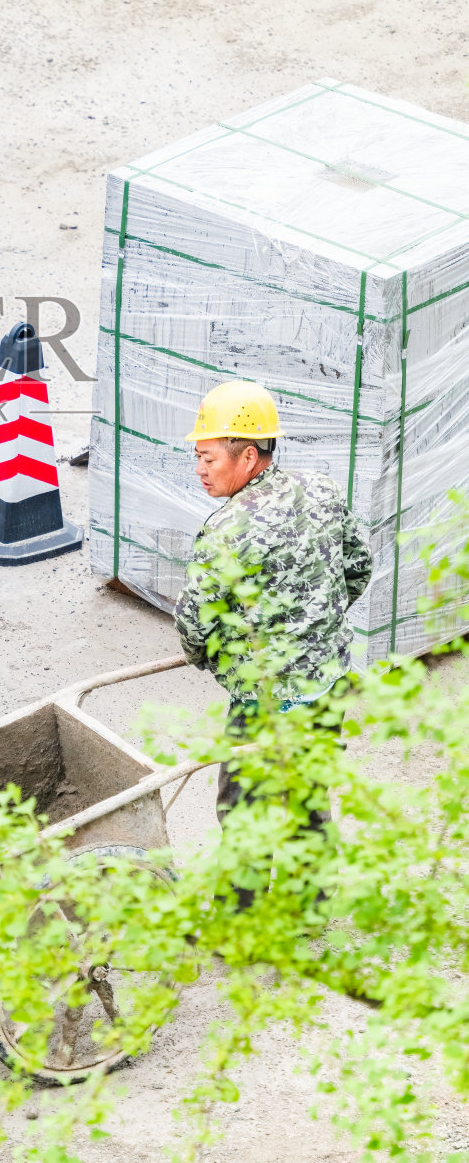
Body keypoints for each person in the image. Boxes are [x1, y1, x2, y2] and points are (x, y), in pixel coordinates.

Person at [174, 379, 372, 901]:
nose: (200, 469)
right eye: (198, 457)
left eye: (208, 458)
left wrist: (210, 657)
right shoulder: (322, 490)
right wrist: (317, 625)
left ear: (247, 456)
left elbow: (193, 626)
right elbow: (358, 566)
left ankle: (241, 920)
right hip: (327, 682)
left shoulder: (227, 528)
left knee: (245, 810)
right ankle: (311, 906)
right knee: (308, 797)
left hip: (263, 697)